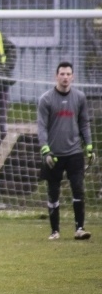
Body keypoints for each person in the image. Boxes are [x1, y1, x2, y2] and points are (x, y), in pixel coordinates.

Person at [38, 61, 94, 241]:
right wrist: (45, 150)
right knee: (53, 192)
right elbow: (41, 127)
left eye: (68, 74)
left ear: (73, 76)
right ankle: (55, 231)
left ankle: (80, 229)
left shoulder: (79, 98)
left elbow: (84, 123)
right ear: (56, 76)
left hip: (75, 153)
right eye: (62, 74)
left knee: (78, 188)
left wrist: (89, 145)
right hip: (54, 154)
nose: (65, 77)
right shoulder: (46, 99)